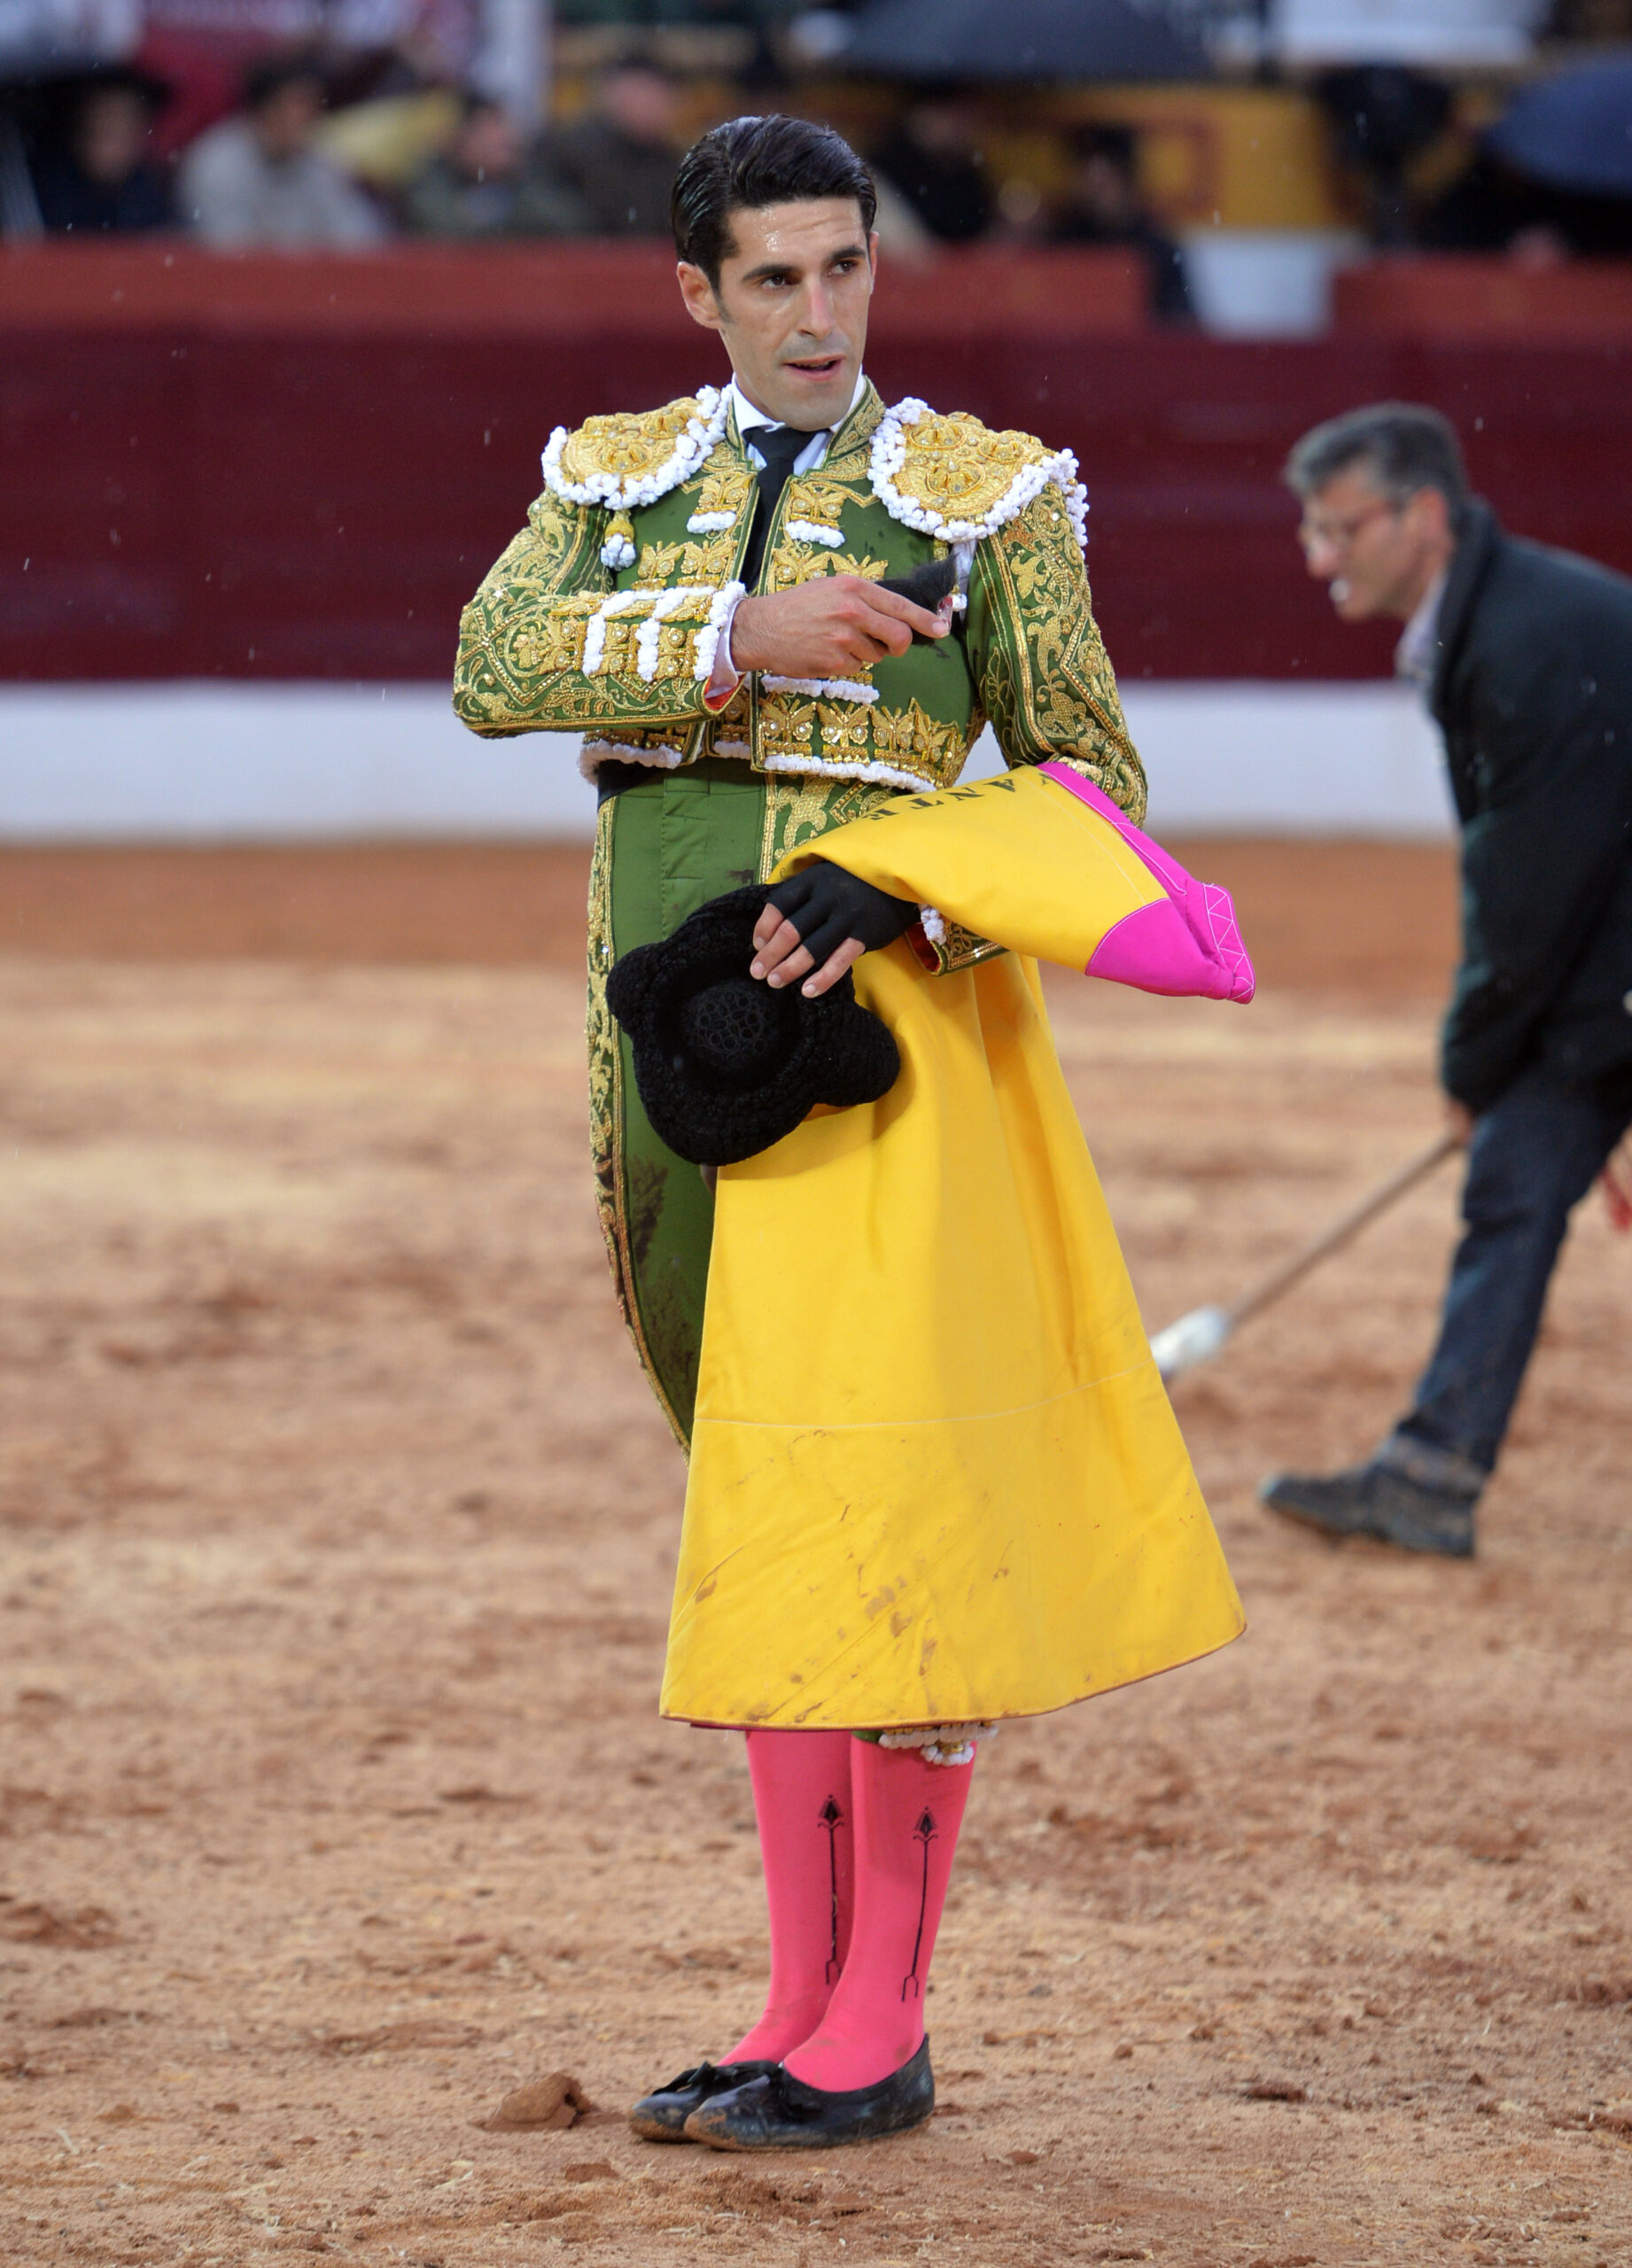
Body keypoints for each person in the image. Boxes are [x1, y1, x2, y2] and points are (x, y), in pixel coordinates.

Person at [454, 113, 1246, 2149]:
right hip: (669, 1063)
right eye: (777, 276)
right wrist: (736, 637)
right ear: (700, 294)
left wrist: (903, 883)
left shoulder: (983, 501)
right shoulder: (617, 481)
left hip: (892, 1067)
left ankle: (877, 2016)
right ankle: (801, 1998)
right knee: (770, 1506)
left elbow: (1100, 784)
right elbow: (486, 666)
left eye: (847, 266)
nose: (821, 312)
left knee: (877, 1515)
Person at [1263, 403, 1632, 1559]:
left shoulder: (1524, 639)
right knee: (1513, 1181)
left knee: (1512, 1171)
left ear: (1421, 516)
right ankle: (1429, 1473)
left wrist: (1473, 1061)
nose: (1318, 558)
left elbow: (1526, 890)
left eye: (1338, 529)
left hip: (1598, 960)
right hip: (1605, 965)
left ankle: (1429, 1468)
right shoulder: (1503, 617)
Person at [178, 52, 385, 249]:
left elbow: (361, 242)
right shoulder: (216, 164)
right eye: (294, 106)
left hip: (314, 282)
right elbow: (228, 251)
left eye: (311, 107)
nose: (303, 118)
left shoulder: (325, 161)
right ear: (262, 109)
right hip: (234, 283)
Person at [1049, 123, 1191, 324]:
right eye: (1088, 181)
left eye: (1104, 183)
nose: (1095, 193)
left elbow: (1180, 330)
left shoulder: (1157, 251)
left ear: (1126, 181)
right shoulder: (1061, 244)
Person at [401, 93, 588, 237]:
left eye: (502, 125)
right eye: (488, 128)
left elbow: (570, 223)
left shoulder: (528, 174)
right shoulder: (431, 178)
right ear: (460, 137)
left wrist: (516, 184)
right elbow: (445, 229)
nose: (504, 137)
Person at [532, 61, 680, 237]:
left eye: (659, 96)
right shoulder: (569, 150)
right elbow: (540, 206)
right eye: (642, 93)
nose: (651, 104)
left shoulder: (670, 165)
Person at [35, 70, 173, 236]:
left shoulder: (155, 193)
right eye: (107, 130)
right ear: (80, 132)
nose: (118, 146)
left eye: (127, 131)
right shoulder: (37, 199)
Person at [870, 96, 992, 245]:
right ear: (921, 116)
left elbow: (977, 232)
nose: (960, 127)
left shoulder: (965, 173)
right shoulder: (887, 166)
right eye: (951, 115)